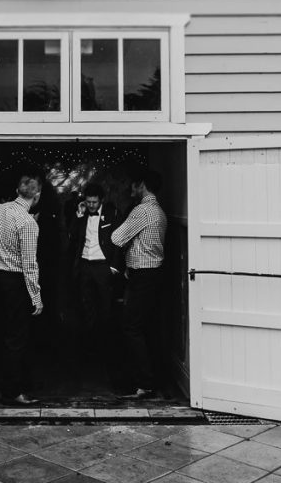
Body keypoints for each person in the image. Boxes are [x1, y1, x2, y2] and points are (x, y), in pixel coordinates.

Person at [0, 170, 44, 405]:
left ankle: (4, 385)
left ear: (18, 191)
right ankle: (14, 391)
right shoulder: (28, 223)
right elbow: (29, 264)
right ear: (37, 195)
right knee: (17, 338)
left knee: (2, 332)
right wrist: (36, 296)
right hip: (17, 282)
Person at [109, 169, 167, 399]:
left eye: (133, 185)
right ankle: (149, 379)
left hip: (143, 276)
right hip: (153, 274)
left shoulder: (142, 210)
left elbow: (117, 237)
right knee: (144, 327)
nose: (130, 190)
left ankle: (144, 383)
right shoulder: (159, 211)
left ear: (141, 184)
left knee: (131, 328)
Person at [67, 183, 122, 365]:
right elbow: (73, 237)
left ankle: (105, 347)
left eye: (94, 202)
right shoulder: (82, 215)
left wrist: (113, 266)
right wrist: (79, 215)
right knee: (86, 306)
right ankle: (89, 347)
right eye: (88, 202)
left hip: (102, 266)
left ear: (101, 200)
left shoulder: (111, 214)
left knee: (105, 307)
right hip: (84, 265)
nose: (91, 205)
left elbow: (118, 240)